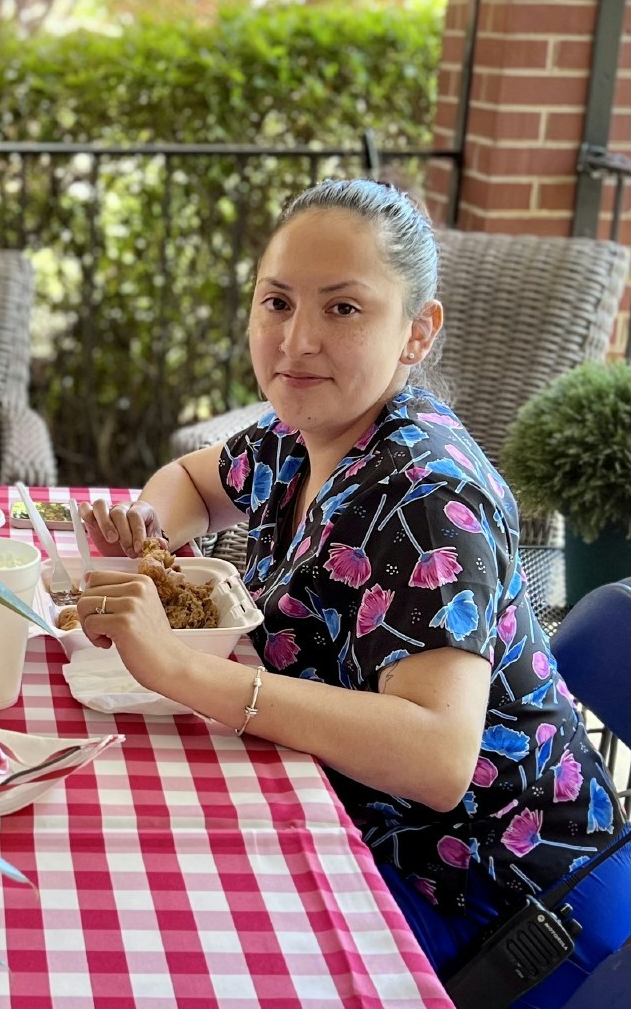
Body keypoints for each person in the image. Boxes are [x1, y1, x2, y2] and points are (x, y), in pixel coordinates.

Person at [78, 179, 629, 1009]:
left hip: (512, 916)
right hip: (372, 832)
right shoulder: (305, 434)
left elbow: (436, 756)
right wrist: (153, 529)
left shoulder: (429, 495)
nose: (296, 340)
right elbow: (193, 477)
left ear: (417, 332)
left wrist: (182, 670)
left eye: (343, 309)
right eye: (277, 302)